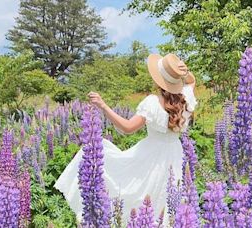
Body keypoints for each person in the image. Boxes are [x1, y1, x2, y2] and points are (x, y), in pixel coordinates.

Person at [54, 53, 197, 225]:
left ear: (158, 80)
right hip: (175, 153)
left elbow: (127, 128)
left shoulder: (152, 102)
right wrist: (183, 72)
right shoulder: (186, 99)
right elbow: (191, 80)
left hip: (150, 155)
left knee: (140, 193)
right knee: (168, 197)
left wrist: (103, 105)